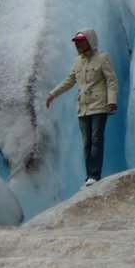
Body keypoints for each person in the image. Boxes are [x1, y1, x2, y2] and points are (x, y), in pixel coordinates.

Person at [46, 28, 118, 187]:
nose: (78, 44)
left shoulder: (102, 58)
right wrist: (53, 94)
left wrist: (112, 100)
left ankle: (94, 174)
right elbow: (70, 80)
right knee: (86, 142)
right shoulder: (78, 61)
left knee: (96, 140)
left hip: (99, 105)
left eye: (81, 41)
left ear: (90, 41)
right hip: (83, 107)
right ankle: (89, 177)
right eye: (76, 42)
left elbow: (111, 80)